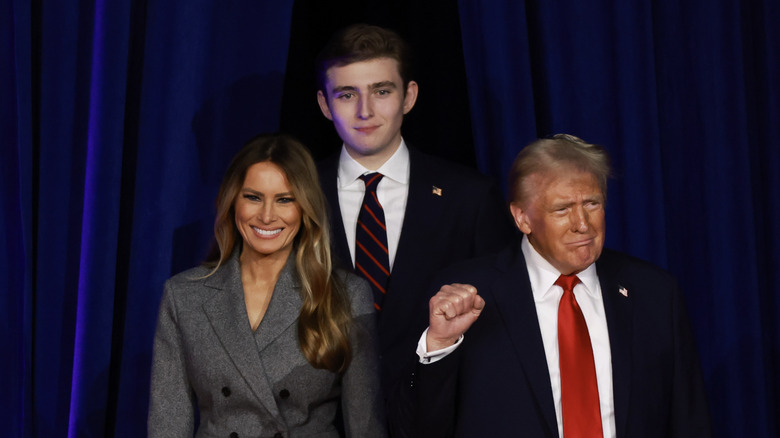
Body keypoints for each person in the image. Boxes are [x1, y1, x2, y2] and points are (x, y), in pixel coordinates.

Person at [393, 134, 711, 437]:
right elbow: (421, 426)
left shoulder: (654, 293)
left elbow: (689, 421)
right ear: (522, 218)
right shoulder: (470, 295)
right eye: (562, 209)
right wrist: (440, 345)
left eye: (592, 203)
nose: (582, 224)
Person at [314, 23, 515, 395]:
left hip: (439, 415)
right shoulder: (297, 194)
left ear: (409, 96)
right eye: (346, 94)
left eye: (381, 91)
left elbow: (503, 323)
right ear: (325, 105)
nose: (365, 111)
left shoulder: (468, 197)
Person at [148, 134, 387, 437]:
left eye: (285, 200)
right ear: (233, 200)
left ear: (305, 207)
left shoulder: (346, 294)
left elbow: (365, 427)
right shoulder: (183, 296)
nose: (267, 216)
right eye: (253, 197)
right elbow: (167, 425)